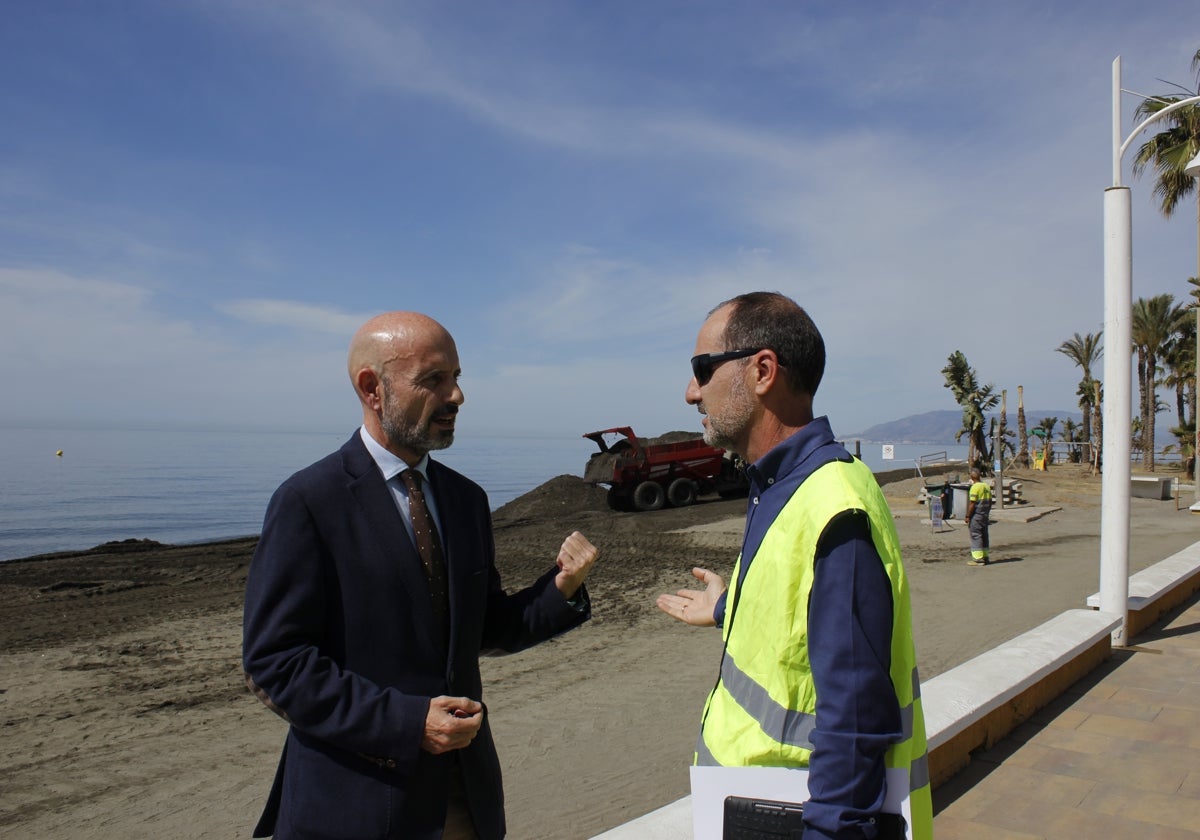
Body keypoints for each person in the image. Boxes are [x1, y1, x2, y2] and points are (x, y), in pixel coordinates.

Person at [242, 311, 598, 840]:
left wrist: (559, 589)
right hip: (354, 804)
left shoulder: (466, 499)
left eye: (456, 377)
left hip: (464, 800)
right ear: (372, 388)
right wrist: (407, 724)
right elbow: (275, 664)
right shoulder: (308, 501)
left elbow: (480, 629)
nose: (456, 396)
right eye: (434, 380)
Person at [656, 292, 932, 840]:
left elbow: (855, 725)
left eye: (701, 370)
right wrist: (726, 608)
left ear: (762, 371)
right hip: (752, 810)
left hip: (791, 818)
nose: (691, 391)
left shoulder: (833, 507)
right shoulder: (779, 486)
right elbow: (800, 626)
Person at [965, 467, 993, 566]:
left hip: (976, 515)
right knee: (984, 535)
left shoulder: (975, 487)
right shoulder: (986, 486)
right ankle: (985, 557)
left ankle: (978, 559)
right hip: (985, 515)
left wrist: (968, 516)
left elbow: (972, 503)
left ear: (971, 477)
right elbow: (990, 502)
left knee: (976, 535)